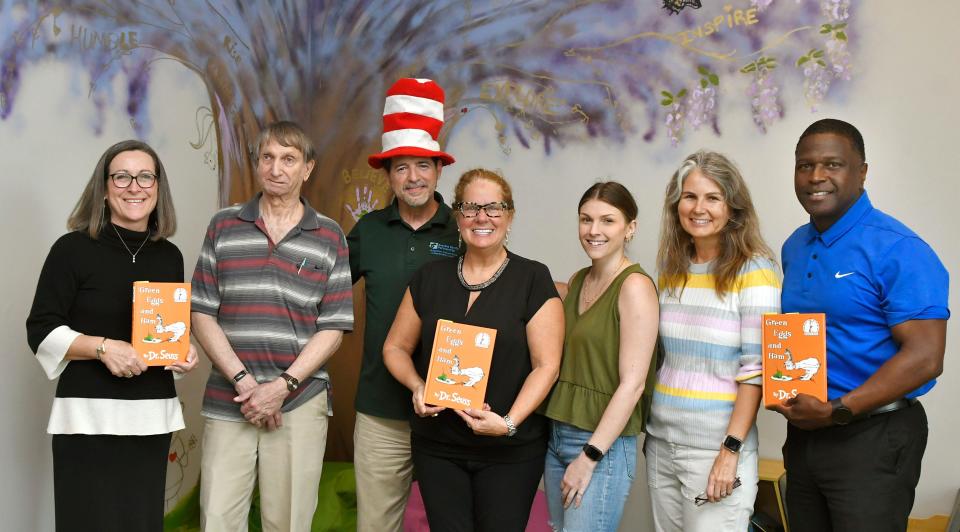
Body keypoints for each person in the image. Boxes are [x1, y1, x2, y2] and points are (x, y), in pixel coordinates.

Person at [772, 119, 949, 532]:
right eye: (805, 165)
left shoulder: (899, 248)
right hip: (806, 436)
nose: (816, 177)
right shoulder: (795, 245)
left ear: (862, 172)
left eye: (833, 164)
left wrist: (836, 411)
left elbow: (926, 358)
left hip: (874, 436)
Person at [26, 140, 199, 532]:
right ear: (104, 188)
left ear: (158, 188)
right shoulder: (71, 249)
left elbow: (163, 330)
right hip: (86, 420)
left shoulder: (169, 256)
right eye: (121, 176)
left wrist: (183, 351)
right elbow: (41, 329)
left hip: (151, 419)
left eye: (144, 176)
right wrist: (103, 348)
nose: (133, 186)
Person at [191, 121, 353, 531]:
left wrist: (282, 387)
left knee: (290, 522)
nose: (276, 168)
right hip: (231, 397)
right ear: (258, 164)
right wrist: (245, 382)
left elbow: (333, 326)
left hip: (299, 399)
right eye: (268, 157)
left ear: (307, 169)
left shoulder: (330, 235)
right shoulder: (223, 226)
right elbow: (200, 311)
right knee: (217, 519)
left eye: (288, 159)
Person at [383, 168, 564, 532]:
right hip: (438, 448)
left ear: (509, 216)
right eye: (471, 207)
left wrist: (509, 423)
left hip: (510, 452)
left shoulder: (533, 279)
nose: (482, 217)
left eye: (494, 208)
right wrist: (418, 387)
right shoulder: (430, 278)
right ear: (457, 216)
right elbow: (395, 347)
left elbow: (547, 366)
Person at [645, 150, 781, 532]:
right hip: (661, 443)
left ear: (733, 207)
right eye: (689, 196)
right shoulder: (673, 268)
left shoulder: (755, 270)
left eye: (712, 197)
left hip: (716, 449)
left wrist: (730, 450)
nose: (698, 207)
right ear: (676, 205)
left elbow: (756, 371)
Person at [348, 77, 460, 532]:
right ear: (388, 175)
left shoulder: (465, 230)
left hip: (453, 412)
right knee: (376, 525)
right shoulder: (368, 231)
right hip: (381, 412)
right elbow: (322, 295)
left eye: (422, 166)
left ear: (438, 170)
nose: (413, 177)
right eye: (401, 168)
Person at [541, 181, 661, 532]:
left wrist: (590, 456)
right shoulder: (578, 281)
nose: (594, 230)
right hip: (558, 434)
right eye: (586, 219)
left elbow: (633, 384)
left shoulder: (635, 287)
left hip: (599, 446)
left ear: (630, 228)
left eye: (608, 221)